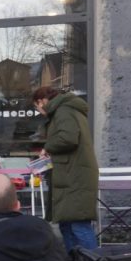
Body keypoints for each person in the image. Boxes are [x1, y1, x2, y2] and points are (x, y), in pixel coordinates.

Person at [32, 86, 99, 252]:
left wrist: (47, 148)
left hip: (74, 176)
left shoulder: (63, 111)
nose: (39, 111)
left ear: (41, 101)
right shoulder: (66, 109)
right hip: (70, 175)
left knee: (78, 225)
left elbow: (68, 138)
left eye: (36, 107)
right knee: (67, 225)